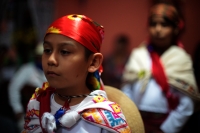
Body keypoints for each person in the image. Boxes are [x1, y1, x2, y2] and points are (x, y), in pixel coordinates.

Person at [22, 14, 131, 133]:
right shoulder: (37, 103)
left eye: (64, 52)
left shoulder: (107, 117)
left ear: (93, 62)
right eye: (47, 50)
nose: (51, 60)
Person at [121, 2, 200, 133]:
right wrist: (131, 118)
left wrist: (166, 129)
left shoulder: (182, 59)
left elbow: (186, 104)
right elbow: (126, 91)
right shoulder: (138, 55)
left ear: (175, 29)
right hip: (135, 120)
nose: (158, 29)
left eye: (164, 25)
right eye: (153, 24)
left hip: (167, 124)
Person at [8, 42, 47, 131]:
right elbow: (13, 88)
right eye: (40, 56)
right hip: (29, 115)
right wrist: (17, 109)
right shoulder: (26, 70)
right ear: (36, 57)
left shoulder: (53, 71)